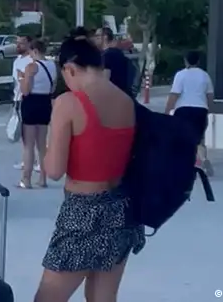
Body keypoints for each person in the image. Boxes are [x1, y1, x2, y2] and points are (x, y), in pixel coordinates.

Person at [35, 35, 144, 302]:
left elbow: (54, 170)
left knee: (47, 298)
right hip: (122, 210)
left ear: (70, 69)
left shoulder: (68, 103)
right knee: (102, 297)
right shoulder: (126, 101)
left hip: (82, 212)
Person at [166, 50, 214, 176]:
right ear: (198, 61)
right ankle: (203, 159)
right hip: (200, 109)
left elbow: (174, 95)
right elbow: (210, 96)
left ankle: (181, 164)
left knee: (182, 138)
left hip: (183, 110)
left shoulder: (181, 75)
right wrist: (209, 110)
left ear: (185, 61)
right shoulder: (205, 76)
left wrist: (167, 111)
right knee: (199, 138)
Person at [18, 38, 56, 188]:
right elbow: (53, 88)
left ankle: (26, 179)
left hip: (31, 103)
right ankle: (43, 179)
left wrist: (22, 78)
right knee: (42, 144)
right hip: (45, 102)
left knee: (29, 144)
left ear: (35, 51)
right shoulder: (52, 66)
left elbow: (26, 90)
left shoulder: (32, 67)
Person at [12, 35, 37, 172]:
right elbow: (15, 80)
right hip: (17, 97)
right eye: (17, 43)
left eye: (21, 43)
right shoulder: (17, 60)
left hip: (27, 97)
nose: (18, 46)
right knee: (23, 132)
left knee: (31, 132)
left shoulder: (31, 61)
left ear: (28, 44)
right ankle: (27, 159)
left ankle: (34, 160)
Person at [96, 26, 134, 96]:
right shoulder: (119, 53)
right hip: (124, 94)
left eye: (97, 36)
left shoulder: (106, 56)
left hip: (113, 95)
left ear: (105, 37)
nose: (96, 38)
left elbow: (105, 81)